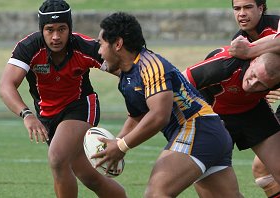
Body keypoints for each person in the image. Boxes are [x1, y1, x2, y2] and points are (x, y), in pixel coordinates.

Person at [90, 12, 243, 198]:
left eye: (101, 44)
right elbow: (137, 117)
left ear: (118, 44)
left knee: (157, 193)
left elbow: (158, 116)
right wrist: (115, 145)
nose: (99, 51)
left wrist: (121, 146)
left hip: (198, 128)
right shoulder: (127, 77)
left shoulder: (150, 66)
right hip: (208, 133)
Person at [0, 0, 126, 198]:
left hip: (80, 106)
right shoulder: (29, 48)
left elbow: (124, 70)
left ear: (70, 28)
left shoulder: (83, 46)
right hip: (47, 116)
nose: (56, 36)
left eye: (62, 29)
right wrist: (27, 115)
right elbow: (6, 85)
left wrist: (145, 89)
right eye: (49, 30)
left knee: (57, 158)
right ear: (42, 30)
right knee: (89, 177)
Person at [183, 45, 280, 198]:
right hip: (214, 115)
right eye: (253, 76)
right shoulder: (223, 65)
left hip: (254, 111)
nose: (252, 84)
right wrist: (200, 118)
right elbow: (179, 84)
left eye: (262, 84)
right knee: (218, 193)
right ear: (253, 62)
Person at [230, 0, 280, 196]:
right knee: (262, 170)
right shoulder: (238, 41)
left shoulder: (276, 24)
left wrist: (250, 50)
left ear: (261, 8)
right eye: (237, 9)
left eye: (248, 7)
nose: (242, 13)